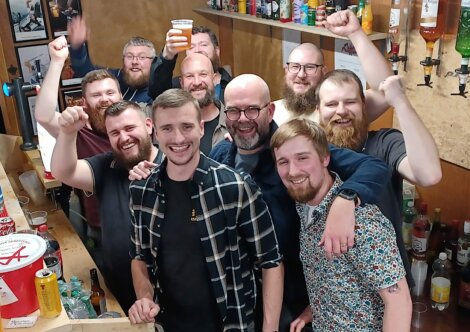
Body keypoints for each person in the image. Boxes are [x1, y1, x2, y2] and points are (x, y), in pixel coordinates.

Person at [209, 74, 391, 331]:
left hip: (291, 297)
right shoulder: (219, 154)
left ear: (270, 110)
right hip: (237, 293)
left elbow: (372, 166)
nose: (242, 119)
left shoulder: (293, 145)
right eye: (234, 111)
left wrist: (345, 199)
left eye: (252, 110)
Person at [128, 89, 283, 331]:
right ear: (155, 133)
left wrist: (270, 329)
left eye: (186, 126)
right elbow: (139, 258)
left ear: (201, 127)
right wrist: (145, 297)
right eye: (167, 128)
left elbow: (271, 262)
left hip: (230, 325)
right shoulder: (142, 191)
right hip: (169, 324)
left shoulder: (234, 186)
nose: (178, 138)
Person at [271, 118, 412, 331]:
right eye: (283, 162)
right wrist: (315, 309)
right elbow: (339, 277)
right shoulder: (304, 205)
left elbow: (399, 301)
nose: (292, 171)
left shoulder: (361, 221)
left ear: (325, 158)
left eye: (302, 158)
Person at [316, 69, 442, 286]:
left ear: (364, 105)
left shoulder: (385, 142)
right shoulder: (311, 154)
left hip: (387, 288)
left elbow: (429, 175)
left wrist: (400, 103)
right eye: (331, 104)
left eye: (350, 102)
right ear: (317, 110)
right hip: (331, 290)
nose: (341, 111)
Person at [50, 100, 162, 313]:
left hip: (168, 297)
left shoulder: (170, 166)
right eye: (115, 133)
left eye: (130, 128)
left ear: (148, 125)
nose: (124, 138)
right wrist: (67, 133)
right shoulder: (106, 165)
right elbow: (62, 172)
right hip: (118, 293)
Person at [35, 36, 122, 255]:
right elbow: (44, 116)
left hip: (139, 226)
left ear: (120, 96)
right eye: (96, 95)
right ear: (85, 102)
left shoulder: (135, 124)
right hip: (101, 232)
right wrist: (57, 62)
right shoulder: (77, 128)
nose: (105, 99)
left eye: (110, 93)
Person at [274, 10, 392, 126]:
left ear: (323, 72)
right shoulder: (271, 112)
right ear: (286, 70)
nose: (301, 74)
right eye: (295, 67)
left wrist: (355, 33)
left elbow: (387, 92)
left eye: (310, 67)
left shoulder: (339, 112)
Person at [68, 15, 155, 104]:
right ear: (123, 61)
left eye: (142, 57)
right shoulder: (114, 77)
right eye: (129, 56)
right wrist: (77, 47)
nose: (134, 62)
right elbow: (85, 71)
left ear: (153, 62)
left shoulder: (160, 89)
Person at [148, 25, 232, 103]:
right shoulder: (177, 85)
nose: (197, 50)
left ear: (217, 51)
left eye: (203, 45)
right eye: (191, 47)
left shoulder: (232, 84)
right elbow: (157, 93)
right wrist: (167, 55)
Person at [179, 53, 228, 154]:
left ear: (214, 79)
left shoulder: (233, 122)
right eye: (189, 76)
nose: (197, 82)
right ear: (182, 83)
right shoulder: (171, 125)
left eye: (203, 74)